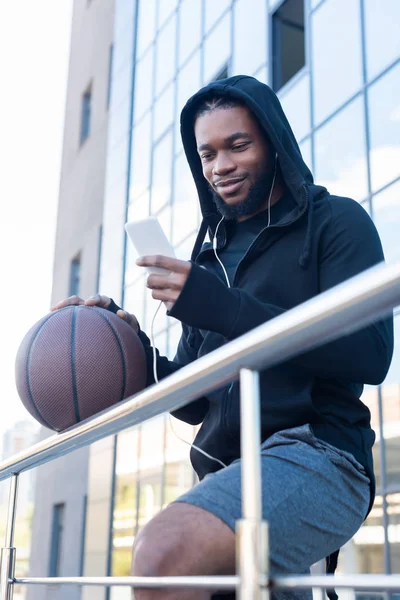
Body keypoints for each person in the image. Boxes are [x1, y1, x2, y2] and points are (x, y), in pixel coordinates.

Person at [53, 76, 394, 600]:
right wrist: (123, 343)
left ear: (273, 142)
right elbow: (192, 400)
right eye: (207, 154)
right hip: (226, 471)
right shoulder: (209, 256)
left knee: (164, 555)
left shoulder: (336, 222)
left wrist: (218, 303)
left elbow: (371, 355)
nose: (221, 166)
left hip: (321, 453)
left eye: (239, 145)